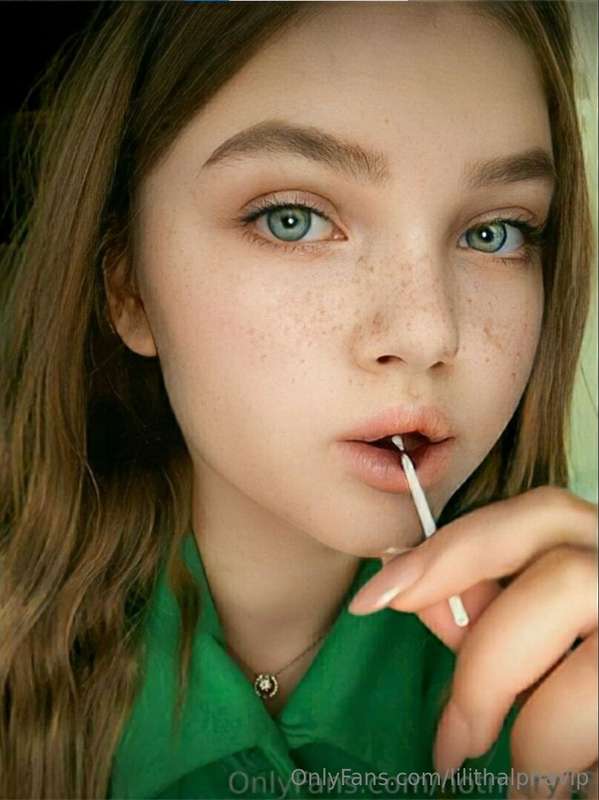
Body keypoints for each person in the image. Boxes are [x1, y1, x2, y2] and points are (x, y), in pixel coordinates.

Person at [0, 2, 596, 798]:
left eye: (494, 232)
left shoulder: (568, 703)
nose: (427, 333)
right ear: (126, 283)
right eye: (293, 219)